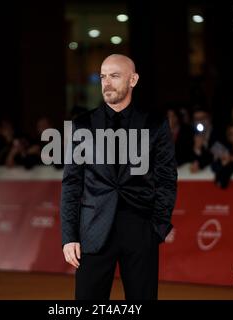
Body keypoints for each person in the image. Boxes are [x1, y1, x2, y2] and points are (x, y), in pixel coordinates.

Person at [60, 54, 178, 300]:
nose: (107, 83)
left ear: (133, 80)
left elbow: (167, 179)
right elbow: (72, 183)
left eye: (115, 76)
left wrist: (157, 228)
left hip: (140, 231)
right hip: (93, 232)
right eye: (103, 77)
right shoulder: (83, 125)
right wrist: (69, 236)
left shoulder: (154, 124)